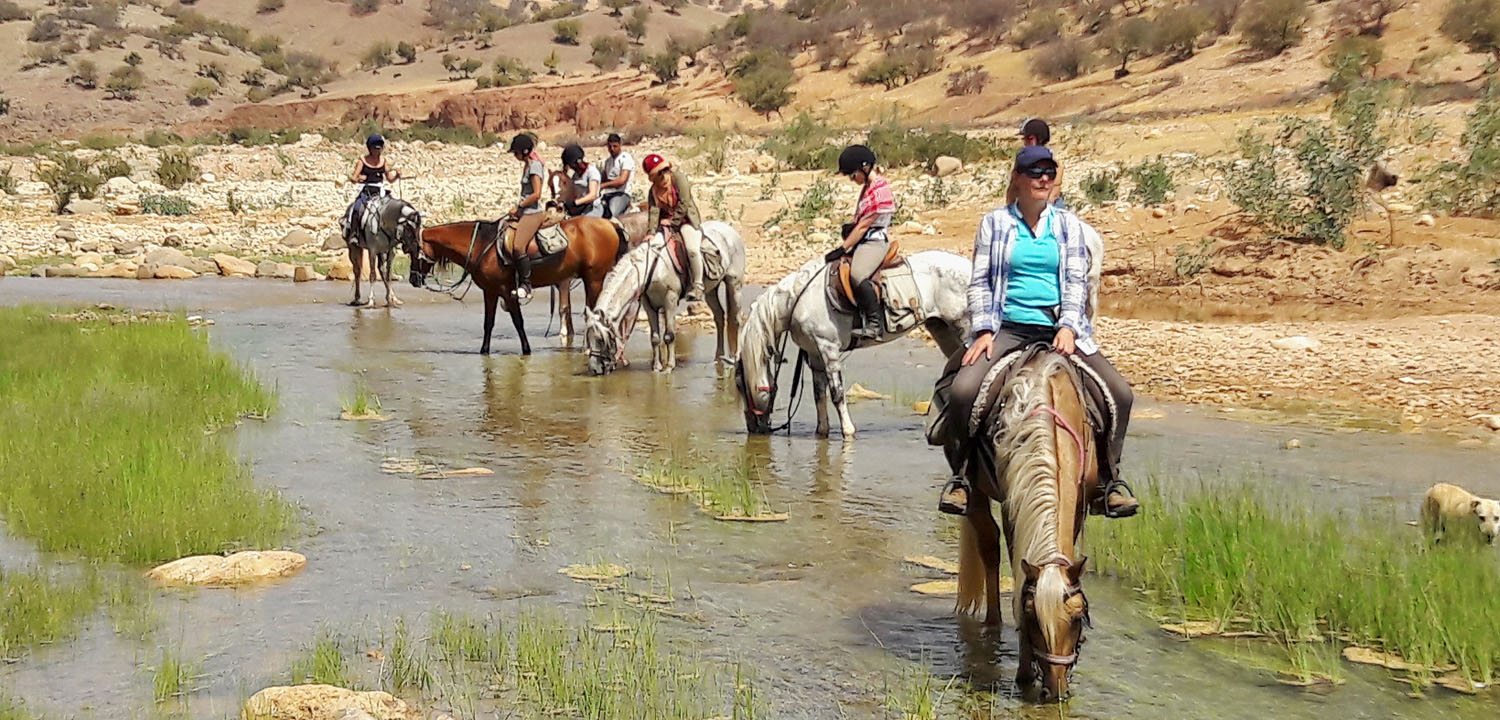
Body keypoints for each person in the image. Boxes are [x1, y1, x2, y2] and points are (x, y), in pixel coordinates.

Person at [938, 145, 1137, 519]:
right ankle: (961, 478)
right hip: (1007, 328)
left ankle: (1110, 481)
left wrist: (1068, 327)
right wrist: (983, 331)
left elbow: (1077, 282)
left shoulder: (1068, 226)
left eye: (1048, 172)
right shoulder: (994, 223)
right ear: (1018, 178)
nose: (1043, 179)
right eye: (1034, 172)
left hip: (1057, 328)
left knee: (1121, 395)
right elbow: (980, 282)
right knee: (963, 391)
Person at [826, 144, 894, 340]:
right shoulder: (868, 188)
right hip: (863, 240)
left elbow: (864, 226)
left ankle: (875, 324)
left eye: (852, 174)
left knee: (857, 275)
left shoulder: (880, 190)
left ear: (865, 168)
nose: (851, 179)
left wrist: (843, 248)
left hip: (874, 242)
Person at [642, 154, 705, 301]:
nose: (664, 175)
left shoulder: (679, 179)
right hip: (665, 224)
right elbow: (653, 212)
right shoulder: (653, 192)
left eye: (665, 170)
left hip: (685, 221)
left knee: (692, 249)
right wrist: (651, 232)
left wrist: (673, 222)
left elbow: (684, 203)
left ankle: (698, 285)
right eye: (660, 173)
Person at [505, 133, 548, 301]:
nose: (515, 156)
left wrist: (519, 207)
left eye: (516, 152)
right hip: (523, 212)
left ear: (524, 151)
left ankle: (526, 284)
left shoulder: (535, 167)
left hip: (532, 213)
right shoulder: (528, 164)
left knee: (518, 246)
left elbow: (536, 194)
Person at [345, 134, 401, 243]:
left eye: (379, 148)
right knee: (357, 208)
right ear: (370, 148)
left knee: (394, 207)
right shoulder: (362, 161)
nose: (377, 151)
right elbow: (353, 178)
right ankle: (354, 234)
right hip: (367, 189)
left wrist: (397, 176)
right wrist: (359, 178)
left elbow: (390, 179)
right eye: (375, 148)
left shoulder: (383, 161)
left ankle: (394, 234)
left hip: (380, 190)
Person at [1006, 118, 1065, 207]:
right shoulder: (1052, 157)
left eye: (1025, 139)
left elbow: (1013, 187)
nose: (1024, 143)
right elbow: (1057, 185)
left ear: (1032, 138)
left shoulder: (1024, 158)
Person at [560, 144, 603, 218]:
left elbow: (592, 195)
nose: (571, 167)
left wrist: (575, 203)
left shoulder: (592, 172)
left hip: (593, 208)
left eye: (571, 165)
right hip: (580, 208)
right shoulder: (575, 175)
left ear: (578, 161)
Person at [599, 133, 635, 219]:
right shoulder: (608, 161)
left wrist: (603, 186)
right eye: (609, 147)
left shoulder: (625, 158)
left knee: (612, 215)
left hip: (622, 194)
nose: (612, 149)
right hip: (607, 194)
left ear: (620, 145)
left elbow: (622, 181)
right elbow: (604, 178)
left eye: (615, 146)